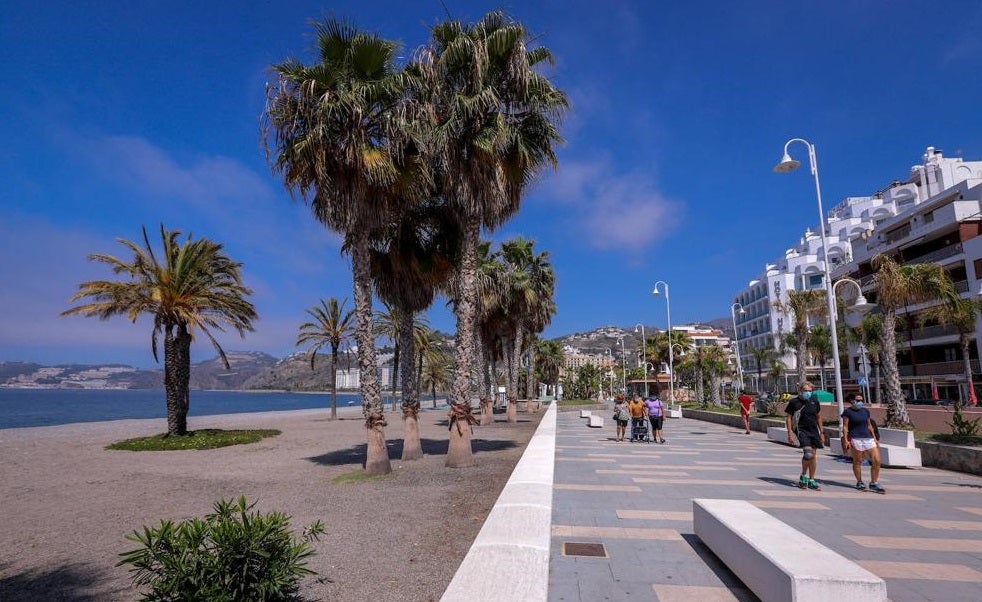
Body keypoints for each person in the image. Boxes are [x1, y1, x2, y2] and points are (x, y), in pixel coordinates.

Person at [784, 382, 825, 490]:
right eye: (806, 390)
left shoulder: (814, 401)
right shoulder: (794, 402)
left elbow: (818, 417)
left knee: (813, 456)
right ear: (801, 391)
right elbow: (788, 417)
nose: (808, 393)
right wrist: (789, 433)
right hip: (801, 430)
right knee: (808, 454)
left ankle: (811, 480)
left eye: (810, 391)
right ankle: (803, 476)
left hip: (813, 430)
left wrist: (822, 432)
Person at [842, 393, 885, 493]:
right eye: (857, 400)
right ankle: (859, 481)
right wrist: (845, 440)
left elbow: (869, 425)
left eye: (861, 400)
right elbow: (845, 426)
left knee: (877, 460)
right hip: (855, 438)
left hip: (868, 438)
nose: (860, 402)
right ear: (852, 401)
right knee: (858, 461)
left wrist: (875, 438)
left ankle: (874, 482)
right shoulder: (847, 412)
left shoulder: (865, 411)